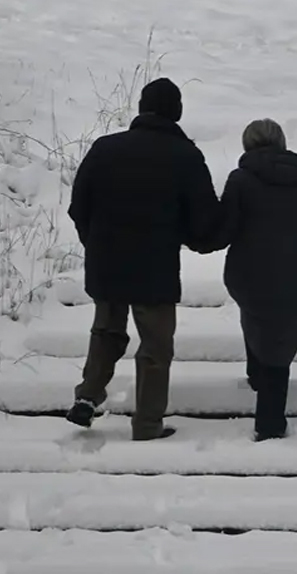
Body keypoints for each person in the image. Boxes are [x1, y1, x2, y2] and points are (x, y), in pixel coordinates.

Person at [65, 77, 221, 441]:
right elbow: (203, 219)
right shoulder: (185, 155)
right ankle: (147, 424)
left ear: (141, 108)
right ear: (177, 112)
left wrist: (96, 242)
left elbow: (78, 207)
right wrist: (205, 237)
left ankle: (87, 397)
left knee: (106, 331)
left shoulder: (105, 149)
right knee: (155, 346)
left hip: (107, 261)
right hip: (155, 268)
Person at [211, 118, 297, 441]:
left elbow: (224, 231)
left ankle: (258, 380)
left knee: (257, 321)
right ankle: (269, 421)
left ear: (247, 145)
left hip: (247, 274)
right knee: (280, 343)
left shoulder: (240, 181)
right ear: (281, 143)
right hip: (294, 277)